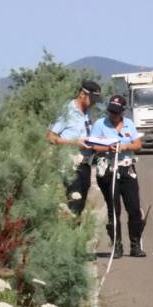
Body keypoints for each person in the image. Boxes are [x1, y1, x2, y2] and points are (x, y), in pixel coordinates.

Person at [89, 94, 147, 258]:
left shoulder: (129, 124)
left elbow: (138, 144)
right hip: (108, 170)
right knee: (114, 209)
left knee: (134, 208)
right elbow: (93, 145)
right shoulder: (100, 124)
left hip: (127, 169)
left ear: (122, 111)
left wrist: (124, 146)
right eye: (111, 112)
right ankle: (117, 246)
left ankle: (135, 245)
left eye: (116, 112)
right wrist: (108, 148)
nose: (113, 115)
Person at [48, 80, 102, 215]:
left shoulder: (89, 112)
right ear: (82, 94)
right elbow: (51, 137)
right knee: (75, 198)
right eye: (92, 98)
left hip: (85, 162)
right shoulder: (67, 111)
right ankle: (68, 231)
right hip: (69, 163)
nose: (94, 102)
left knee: (81, 201)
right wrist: (74, 142)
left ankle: (74, 229)